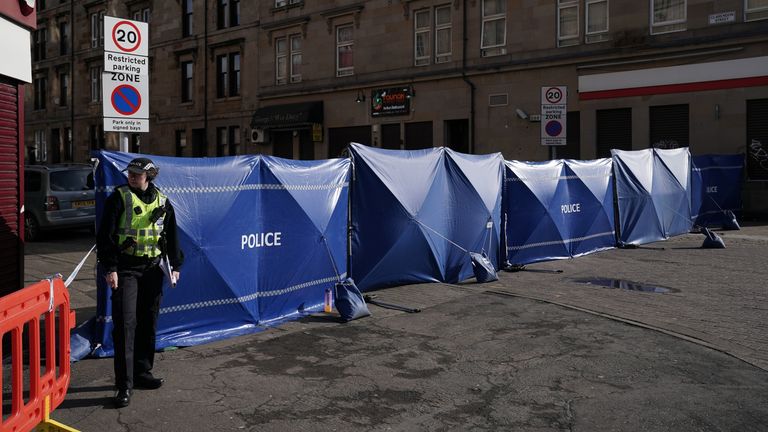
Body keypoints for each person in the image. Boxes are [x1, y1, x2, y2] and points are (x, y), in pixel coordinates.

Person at [97, 157, 183, 408]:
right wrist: (110, 267)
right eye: (130, 173)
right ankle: (124, 384)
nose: (132, 177)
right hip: (125, 269)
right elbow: (105, 236)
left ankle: (142, 373)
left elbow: (171, 235)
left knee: (149, 320)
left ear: (150, 176)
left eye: (137, 174)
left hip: (153, 269)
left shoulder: (163, 201)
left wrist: (175, 265)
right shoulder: (119, 198)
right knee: (126, 324)